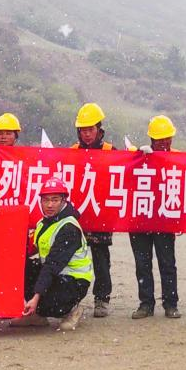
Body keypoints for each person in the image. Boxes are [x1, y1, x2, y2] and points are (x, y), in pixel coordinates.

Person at [12, 177, 93, 330]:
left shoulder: (69, 227)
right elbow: (30, 249)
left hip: (73, 281)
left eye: (55, 200)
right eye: (46, 200)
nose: (49, 205)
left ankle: (72, 310)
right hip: (54, 274)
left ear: (64, 201)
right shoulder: (43, 223)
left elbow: (52, 265)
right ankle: (34, 315)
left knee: (49, 302)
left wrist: (35, 297)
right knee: (18, 266)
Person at [129, 114, 180, 319]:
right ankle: (146, 304)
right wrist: (138, 157)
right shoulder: (139, 156)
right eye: (160, 139)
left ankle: (171, 303)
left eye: (168, 138)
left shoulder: (177, 157)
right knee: (143, 264)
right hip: (140, 219)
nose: (164, 143)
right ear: (151, 139)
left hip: (164, 219)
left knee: (167, 263)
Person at [70, 103, 114, 317]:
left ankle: (102, 298)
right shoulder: (70, 152)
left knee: (101, 259)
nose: (87, 134)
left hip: (100, 215)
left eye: (90, 129)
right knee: (71, 259)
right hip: (76, 216)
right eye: (83, 130)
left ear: (99, 129)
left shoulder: (111, 152)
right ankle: (71, 299)